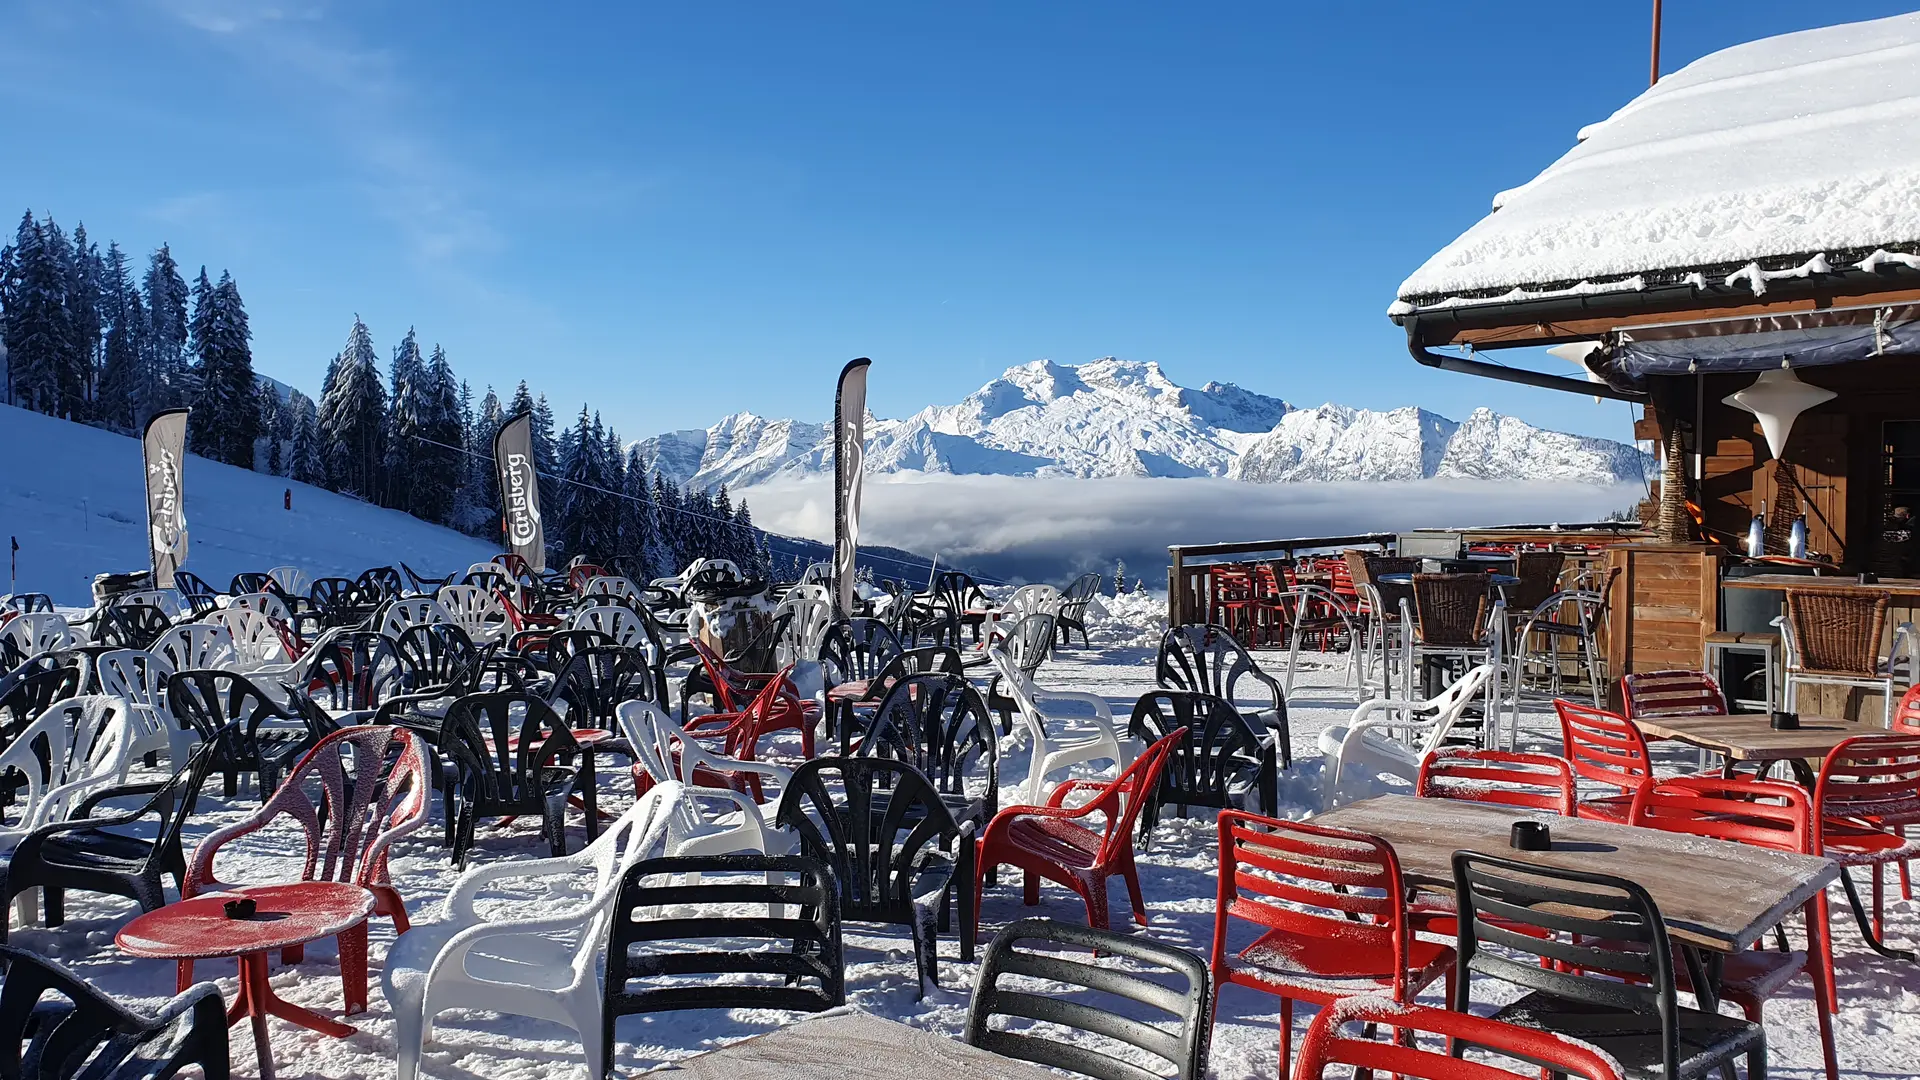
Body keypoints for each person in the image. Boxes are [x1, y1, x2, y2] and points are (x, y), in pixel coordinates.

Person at [1879, 505, 1916, 577]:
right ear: (1907, 516)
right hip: (1895, 567)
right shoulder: (1906, 532)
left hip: (1882, 566)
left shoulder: (1882, 528)